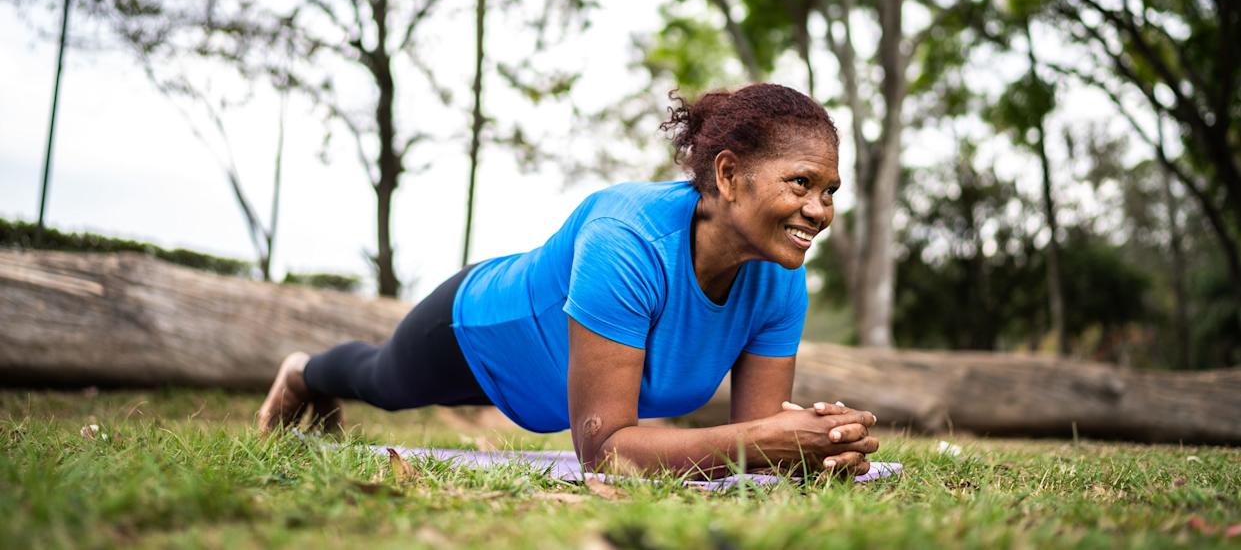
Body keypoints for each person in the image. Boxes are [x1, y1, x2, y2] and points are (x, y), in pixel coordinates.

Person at [258, 83, 879, 478]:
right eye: (801, 183)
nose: (819, 211)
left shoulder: (779, 279)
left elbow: (759, 433)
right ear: (726, 175)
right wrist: (760, 443)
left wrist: (822, 445)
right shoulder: (627, 239)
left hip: (554, 386)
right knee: (382, 382)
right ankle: (303, 374)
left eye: (829, 192)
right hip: (476, 332)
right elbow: (604, 452)